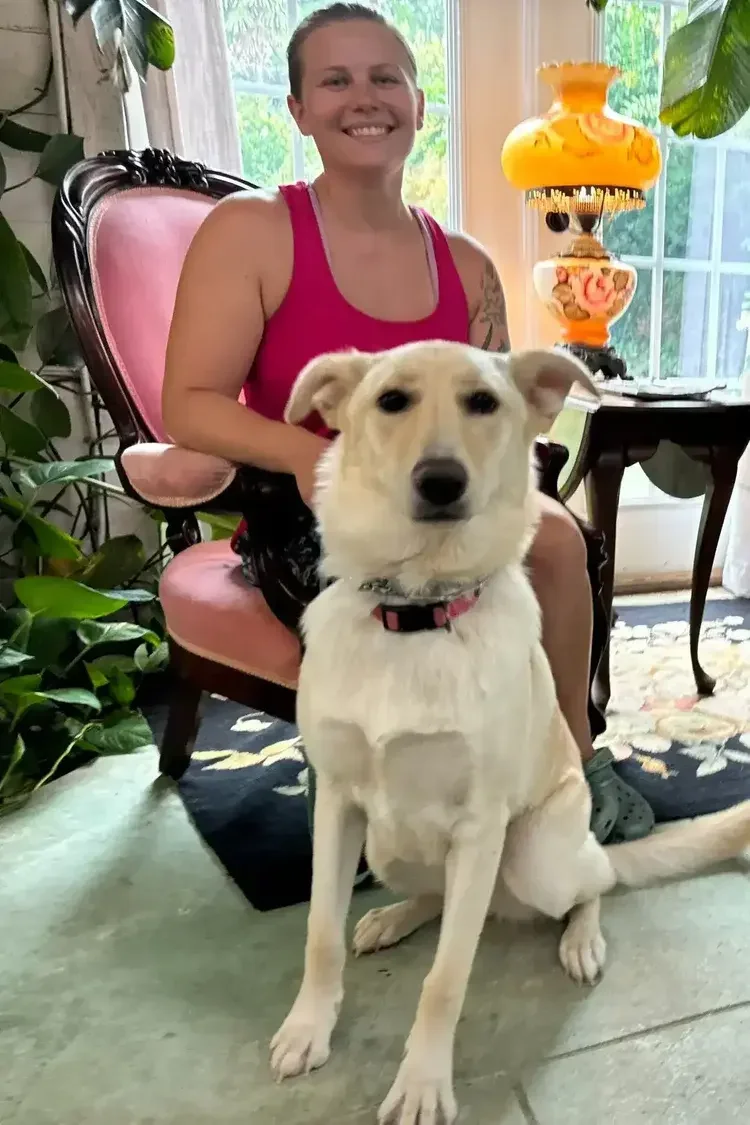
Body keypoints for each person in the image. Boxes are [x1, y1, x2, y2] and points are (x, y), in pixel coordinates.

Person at [162, 2, 653, 845]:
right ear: (299, 110)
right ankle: (382, 791)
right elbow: (188, 405)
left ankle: (571, 755)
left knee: (560, 539)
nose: (367, 97)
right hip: (312, 505)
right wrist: (321, 465)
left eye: (387, 77)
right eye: (337, 79)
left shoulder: (464, 262)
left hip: (451, 500)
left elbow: (500, 423)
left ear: (419, 106)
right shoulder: (250, 232)